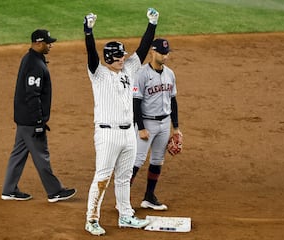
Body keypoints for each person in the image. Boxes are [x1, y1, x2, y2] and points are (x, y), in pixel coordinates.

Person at [83, 8, 159, 236]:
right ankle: (92, 219)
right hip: (107, 134)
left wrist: (152, 25)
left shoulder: (128, 69)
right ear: (109, 58)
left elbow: (143, 49)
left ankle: (126, 215)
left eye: (123, 55)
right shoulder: (98, 74)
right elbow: (91, 55)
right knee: (102, 177)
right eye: (118, 56)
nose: (122, 58)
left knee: (124, 177)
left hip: (129, 133)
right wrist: (88, 32)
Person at [1, 29, 76, 203]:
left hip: (23, 119)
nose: (51, 45)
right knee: (41, 154)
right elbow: (32, 94)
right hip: (30, 120)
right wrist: (38, 121)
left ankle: (9, 190)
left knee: (18, 154)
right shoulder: (35, 64)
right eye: (48, 42)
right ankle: (54, 191)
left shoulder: (31, 59)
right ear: (38, 43)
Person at [131, 38, 182, 211]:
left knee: (157, 160)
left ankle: (149, 197)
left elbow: (173, 101)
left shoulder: (170, 74)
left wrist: (176, 127)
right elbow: (135, 103)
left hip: (164, 123)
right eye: (162, 52)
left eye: (167, 53)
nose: (165, 56)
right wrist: (141, 127)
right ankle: (121, 199)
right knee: (137, 161)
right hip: (147, 122)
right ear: (152, 52)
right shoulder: (141, 74)